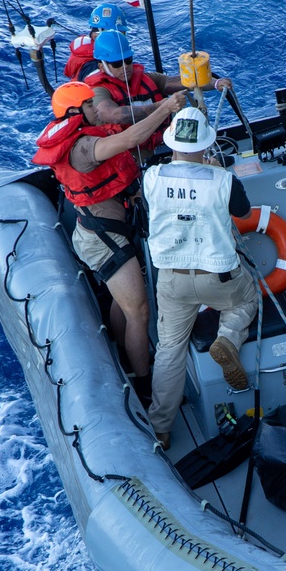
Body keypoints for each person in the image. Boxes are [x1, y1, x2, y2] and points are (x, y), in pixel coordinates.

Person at [32, 80, 186, 396]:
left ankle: (124, 354)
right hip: (103, 239)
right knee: (138, 311)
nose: (96, 109)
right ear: (75, 113)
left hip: (110, 230)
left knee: (122, 300)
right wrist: (167, 108)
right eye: (89, 105)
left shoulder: (85, 136)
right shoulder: (84, 148)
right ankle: (144, 383)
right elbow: (132, 137)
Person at [144, 107, 256, 449]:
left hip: (173, 280)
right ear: (206, 145)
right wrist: (218, 171)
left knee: (170, 349)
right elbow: (244, 212)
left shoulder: (151, 177)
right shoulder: (223, 180)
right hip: (219, 278)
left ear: (171, 143)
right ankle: (228, 336)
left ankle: (160, 428)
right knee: (248, 300)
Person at [87, 29, 233, 147]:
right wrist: (162, 106)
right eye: (117, 63)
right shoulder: (98, 91)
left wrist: (214, 83)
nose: (125, 66)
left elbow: (182, 82)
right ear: (102, 66)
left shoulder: (148, 79)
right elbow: (113, 114)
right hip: (130, 158)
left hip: (164, 145)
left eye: (128, 60)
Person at [63, 1, 130, 83]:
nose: (120, 38)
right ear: (95, 35)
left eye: (121, 34)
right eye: (115, 34)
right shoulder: (92, 66)